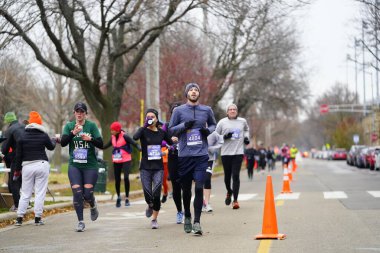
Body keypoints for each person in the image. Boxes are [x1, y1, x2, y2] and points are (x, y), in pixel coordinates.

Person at [169, 83, 216, 235]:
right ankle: (187, 216)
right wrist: (184, 125)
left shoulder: (206, 110)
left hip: (201, 155)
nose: (194, 92)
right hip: (185, 155)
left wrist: (206, 130)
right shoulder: (178, 110)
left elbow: (214, 125)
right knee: (186, 190)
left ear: (199, 94)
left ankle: (197, 222)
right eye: (191, 90)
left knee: (199, 187)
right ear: (187, 93)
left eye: (196, 90)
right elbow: (171, 129)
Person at [60, 102, 103, 232]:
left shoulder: (92, 126)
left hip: (90, 165)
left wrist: (90, 140)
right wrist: (73, 133)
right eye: (77, 111)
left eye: (82, 111)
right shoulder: (69, 126)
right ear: (74, 113)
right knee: (77, 192)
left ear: (85, 114)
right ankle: (80, 221)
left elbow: (101, 144)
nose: (79, 114)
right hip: (75, 166)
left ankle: (92, 203)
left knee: (87, 194)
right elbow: (63, 143)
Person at [14, 111, 56, 226]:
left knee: (25, 193)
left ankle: (19, 218)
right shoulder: (43, 135)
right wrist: (54, 140)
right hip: (41, 165)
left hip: (27, 166)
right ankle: (37, 218)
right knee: (40, 192)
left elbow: (18, 156)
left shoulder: (22, 136)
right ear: (39, 124)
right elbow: (51, 147)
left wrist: (17, 171)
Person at [133, 108, 172, 229]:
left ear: (156, 118)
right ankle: (150, 205)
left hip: (158, 167)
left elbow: (171, 143)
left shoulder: (161, 132)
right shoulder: (143, 131)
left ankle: (154, 219)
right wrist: (144, 126)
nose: (150, 119)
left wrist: (168, 150)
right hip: (145, 166)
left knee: (156, 193)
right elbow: (135, 137)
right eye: (148, 117)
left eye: (152, 117)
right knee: (147, 192)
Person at [215, 103, 250, 210]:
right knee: (227, 177)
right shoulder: (222, 122)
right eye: (230, 109)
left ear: (237, 111)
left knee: (235, 176)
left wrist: (246, 138)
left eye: (234, 109)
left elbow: (246, 129)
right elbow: (215, 136)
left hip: (238, 153)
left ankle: (235, 200)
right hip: (226, 153)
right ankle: (229, 191)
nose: (232, 111)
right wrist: (224, 137)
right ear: (227, 112)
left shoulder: (242, 121)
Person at [102, 121, 140, 207]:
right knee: (117, 179)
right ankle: (118, 197)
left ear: (118, 130)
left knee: (126, 177)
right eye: (111, 130)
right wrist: (94, 142)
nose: (111, 131)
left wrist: (139, 148)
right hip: (117, 159)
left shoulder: (125, 136)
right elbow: (104, 146)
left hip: (126, 159)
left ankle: (127, 198)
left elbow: (134, 143)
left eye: (113, 130)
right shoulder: (112, 138)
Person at [1, 112, 25, 212]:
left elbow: (5, 149)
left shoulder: (9, 130)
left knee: (14, 182)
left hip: (17, 158)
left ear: (7, 121)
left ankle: (17, 205)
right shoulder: (24, 126)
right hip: (29, 158)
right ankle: (26, 204)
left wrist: (3, 154)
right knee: (25, 182)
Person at [166, 102, 184, 224]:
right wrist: (169, 141)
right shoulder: (167, 127)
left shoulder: (186, 125)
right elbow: (161, 140)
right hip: (173, 158)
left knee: (186, 186)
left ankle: (187, 210)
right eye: (174, 112)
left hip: (186, 158)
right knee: (176, 188)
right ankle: (179, 211)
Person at [203, 131, 222, 212]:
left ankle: (207, 203)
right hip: (197, 159)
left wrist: (213, 148)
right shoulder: (195, 130)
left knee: (207, 178)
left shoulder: (213, 133)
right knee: (199, 180)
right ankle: (201, 202)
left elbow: (221, 141)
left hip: (209, 159)